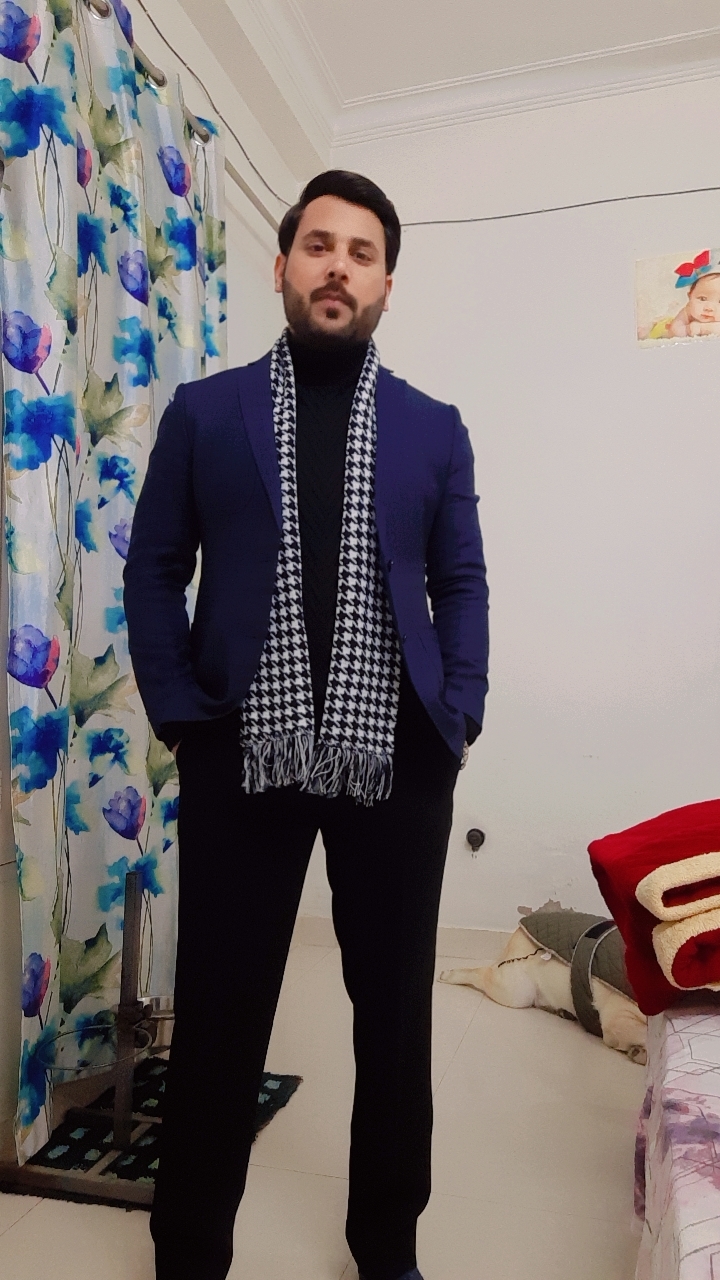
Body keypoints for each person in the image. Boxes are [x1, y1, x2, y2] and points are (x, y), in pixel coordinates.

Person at [123, 169, 489, 1280]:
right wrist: (181, 712)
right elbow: (154, 568)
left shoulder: (434, 428)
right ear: (282, 264)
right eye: (320, 245)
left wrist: (460, 710)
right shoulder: (205, 412)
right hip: (242, 750)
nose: (339, 267)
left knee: (394, 1018)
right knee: (222, 1014)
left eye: (362, 252)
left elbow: (460, 581)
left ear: (385, 283)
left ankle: (387, 1246)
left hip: (397, 757)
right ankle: (190, 1252)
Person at [642, 249, 720, 339]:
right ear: (690, 296)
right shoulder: (688, 310)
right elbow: (675, 330)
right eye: (702, 299)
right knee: (656, 330)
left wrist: (702, 328)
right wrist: (687, 329)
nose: (709, 308)